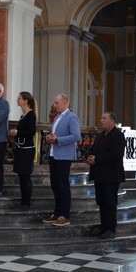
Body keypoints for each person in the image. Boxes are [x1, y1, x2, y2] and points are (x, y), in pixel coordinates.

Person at [42, 93, 81, 226]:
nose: (54, 105)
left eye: (57, 103)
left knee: (63, 185)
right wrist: (50, 137)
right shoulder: (57, 117)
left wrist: (58, 139)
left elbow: (76, 136)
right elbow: (57, 134)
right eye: (55, 102)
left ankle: (65, 215)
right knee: (55, 185)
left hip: (64, 156)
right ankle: (57, 213)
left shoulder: (71, 117)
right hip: (54, 154)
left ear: (65, 103)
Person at [86, 112, 126, 239]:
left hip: (111, 174)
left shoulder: (118, 135)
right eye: (101, 118)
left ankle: (111, 228)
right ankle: (103, 226)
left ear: (112, 121)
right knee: (101, 201)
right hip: (99, 174)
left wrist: (97, 160)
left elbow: (115, 155)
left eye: (104, 118)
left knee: (109, 201)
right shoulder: (100, 135)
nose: (101, 120)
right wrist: (91, 157)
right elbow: (94, 149)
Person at [9, 91, 37, 208]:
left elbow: (31, 132)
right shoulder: (23, 115)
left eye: (19, 98)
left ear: (26, 101)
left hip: (27, 149)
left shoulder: (31, 115)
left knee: (26, 176)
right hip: (21, 148)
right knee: (21, 176)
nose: (17, 100)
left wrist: (17, 132)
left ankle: (26, 203)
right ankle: (23, 201)